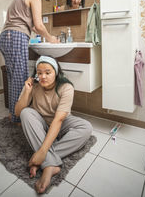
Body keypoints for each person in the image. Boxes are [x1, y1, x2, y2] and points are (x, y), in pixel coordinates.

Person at [15, 56, 92, 194]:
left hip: (60, 123)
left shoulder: (66, 87)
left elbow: (58, 120)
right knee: (26, 113)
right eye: (39, 73)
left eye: (48, 72)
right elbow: (17, 113)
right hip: (41, 124)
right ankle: (50, 166)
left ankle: (43, 160)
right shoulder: (33, 85)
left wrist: (42, 152)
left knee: (86, 127)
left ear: (56, 72)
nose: (43, 76)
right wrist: (27, 92)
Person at [0, 0, 59, 123]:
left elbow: (31, 25)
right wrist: (51, 38)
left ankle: (13, 113)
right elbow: (38, 25)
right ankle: (18, 118)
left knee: (14, 78)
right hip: (16, 37)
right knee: (20, 80)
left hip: (6, 37)